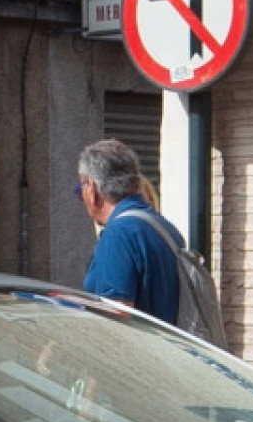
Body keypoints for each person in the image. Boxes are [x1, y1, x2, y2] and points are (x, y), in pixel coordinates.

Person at [77, 138, 181, 325]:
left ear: (91, 189)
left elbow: (114, 317)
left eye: (80, 189)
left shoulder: (118, 235)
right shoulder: (164, 228)